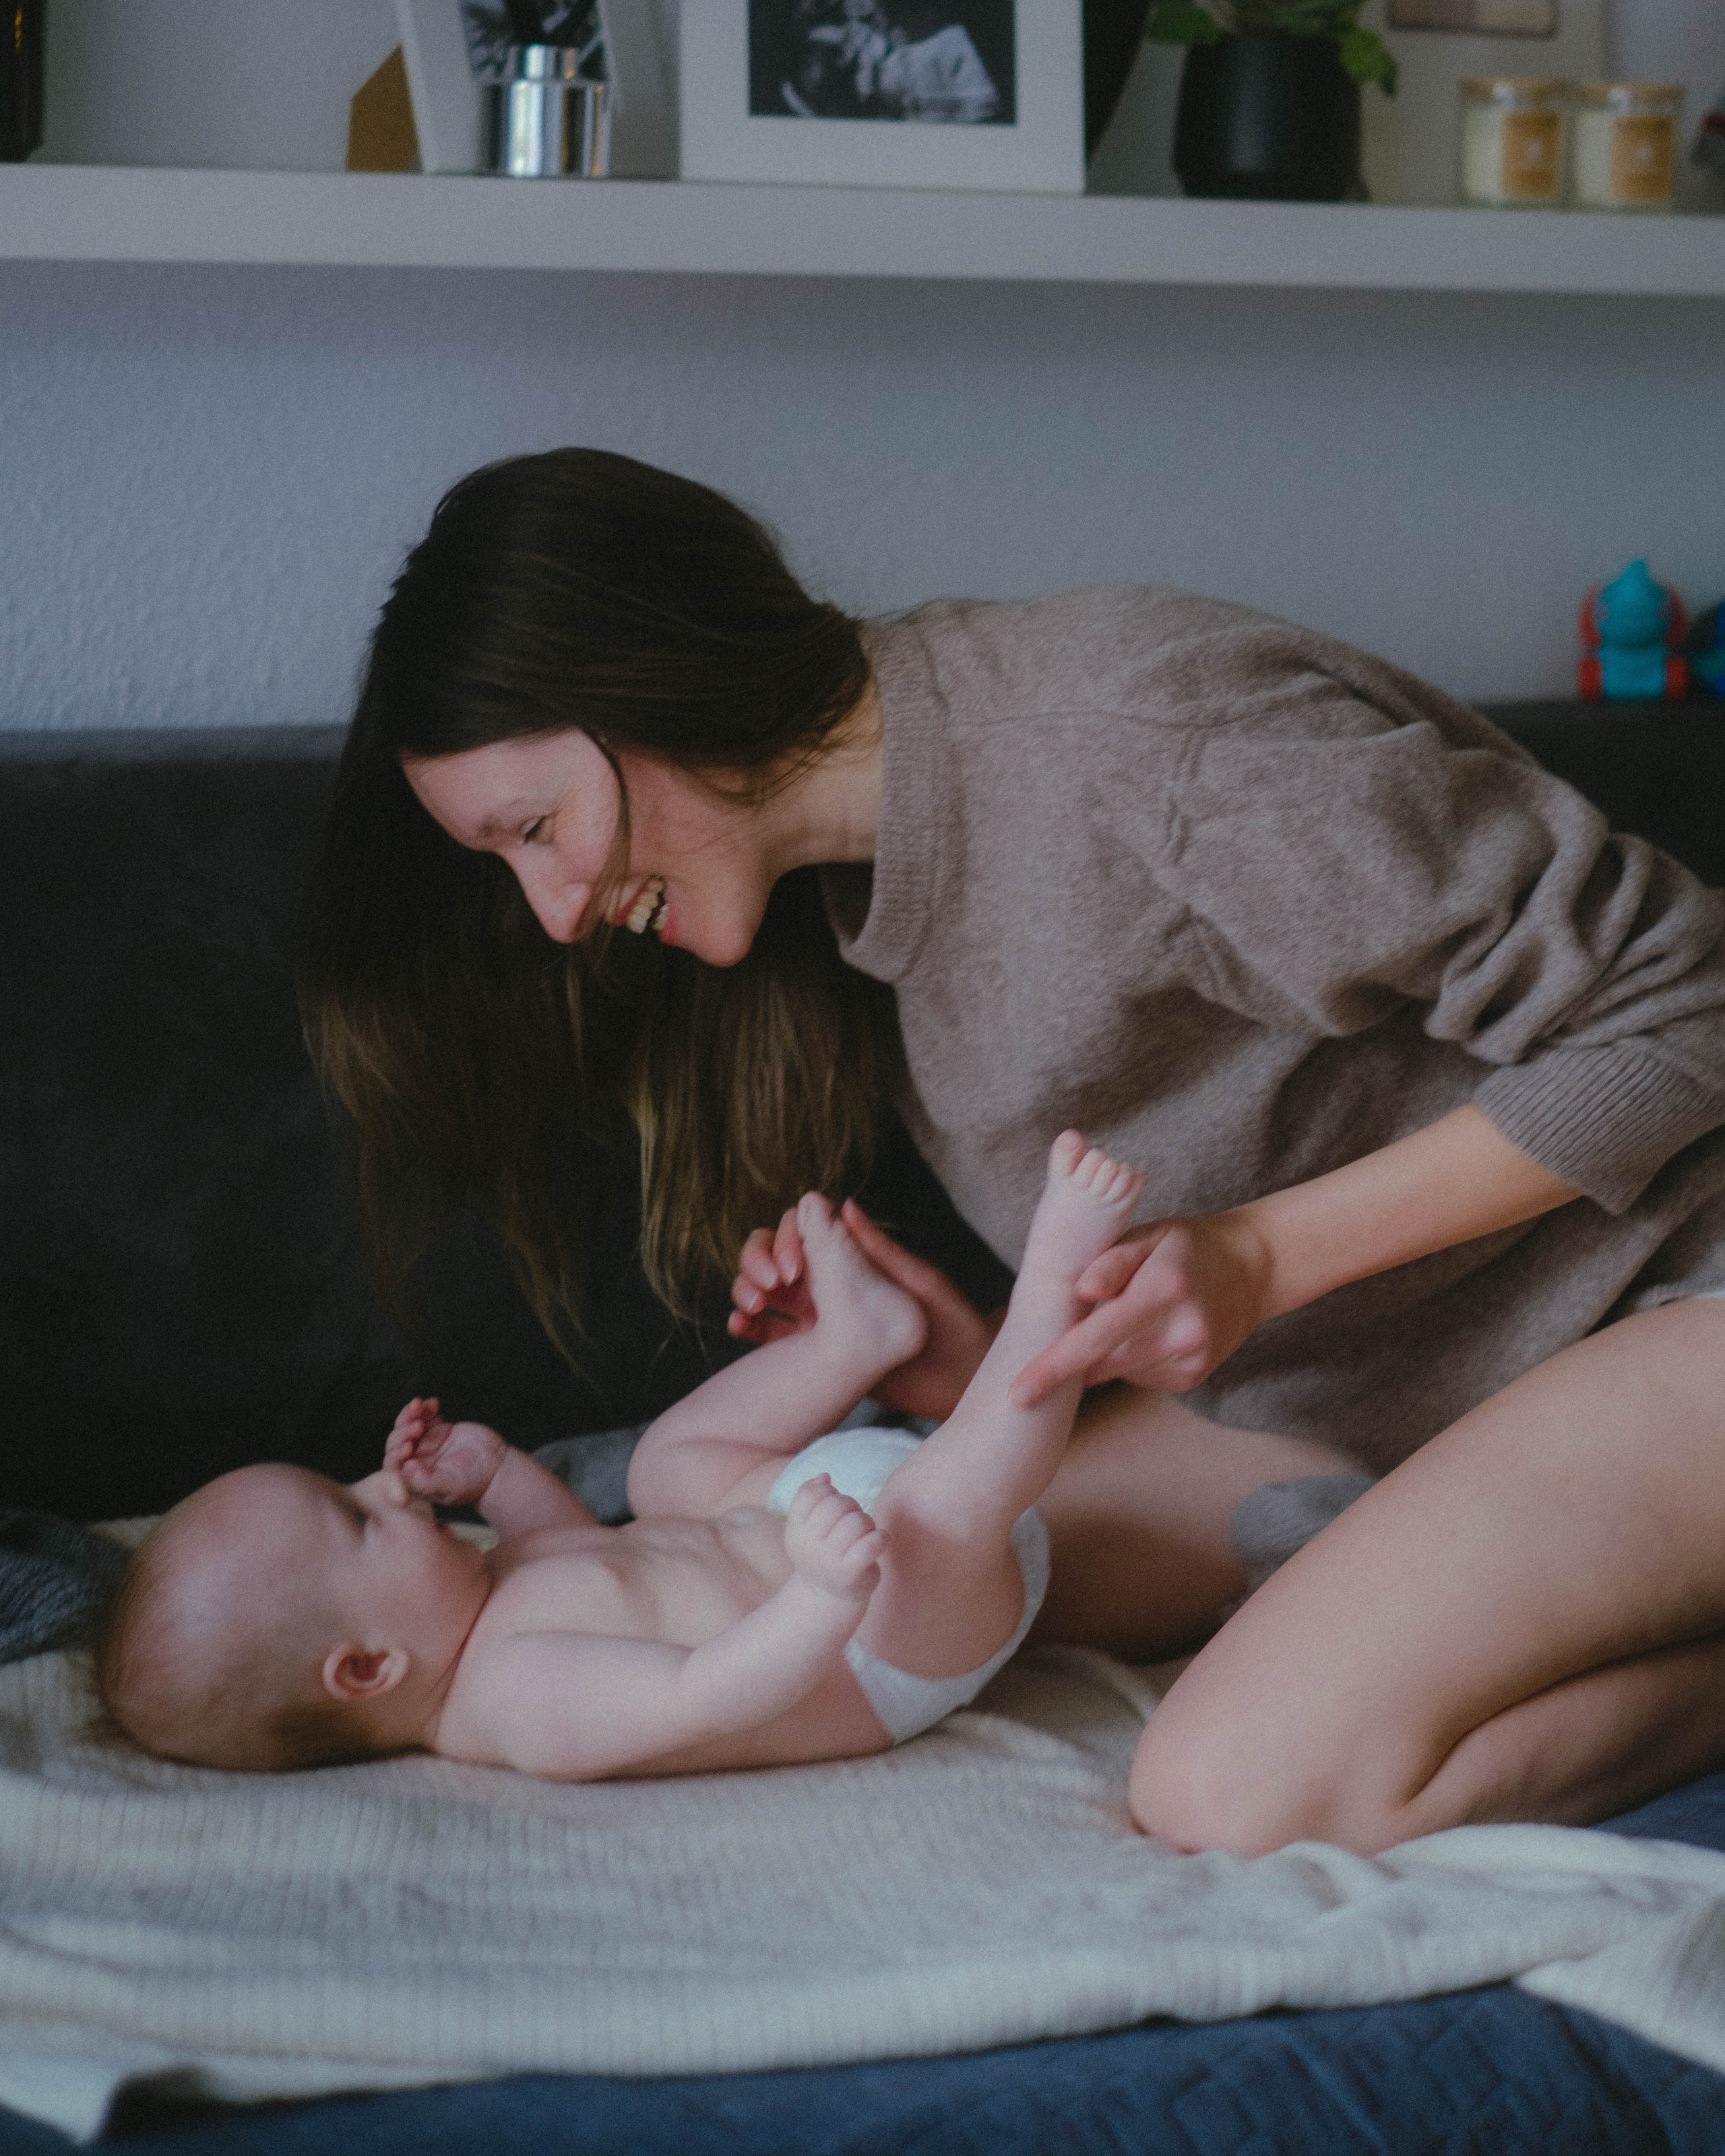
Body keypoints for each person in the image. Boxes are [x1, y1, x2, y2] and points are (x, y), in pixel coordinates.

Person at [299, 447, 1725, 1856]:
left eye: (537, 830)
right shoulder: (860, 899)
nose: (552, 910)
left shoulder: (1139, 742)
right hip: (1431, 1364)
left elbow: (1688, 1002)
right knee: (959, 1576)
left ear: (646, 679)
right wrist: (967, 1362)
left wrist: (1257, 1257)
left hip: (1673, 1291)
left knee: (1232, 1790)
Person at [97, 1137, 1139, 1777]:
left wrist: (498, 1476)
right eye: (358, 1517)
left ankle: (854, 1343)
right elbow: (707, 1695)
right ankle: (1051, 1295)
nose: (382, 1481)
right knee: (939, 1512)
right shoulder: (519, 1707)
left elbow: (579, 1552)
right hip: (882, 1641)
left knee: (661, 1473)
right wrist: (823, 1596)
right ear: (369, 1669)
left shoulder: (476, 1603)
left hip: (775, 1520)